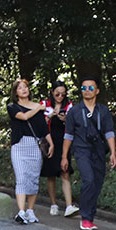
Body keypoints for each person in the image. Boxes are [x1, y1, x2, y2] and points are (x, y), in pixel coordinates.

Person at [60, 78, 116, 230]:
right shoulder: (75, 111)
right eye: (84, 87)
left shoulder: (103, 111)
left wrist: (113, 153)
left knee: (97, 183)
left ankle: (90, 217)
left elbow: (109, 132)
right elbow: (68, 135)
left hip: (98, 150)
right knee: (88, 180)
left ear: (97, 91)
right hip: (81, 149)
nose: (87, 90)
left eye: (91, 87)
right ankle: (84, 217)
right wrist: (64, 156)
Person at [7, 77, 51, 225]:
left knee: (33, 178)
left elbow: (43, 129)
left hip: (34, 145)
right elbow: (24, 117)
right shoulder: (13, 107)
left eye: (25, 87)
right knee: (21, 178)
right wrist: (38, 108)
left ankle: (30, 210)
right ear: (16, 92)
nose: (24, 89)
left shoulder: (36, 107)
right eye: (20, 88)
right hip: (19, 145)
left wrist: (51, 143)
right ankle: (21, 211)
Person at [41, 81, 77, 217]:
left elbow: (74, 125)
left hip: (64, 142)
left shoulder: (70, 106)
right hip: (50, 142)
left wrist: (65, 119)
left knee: (65, 171)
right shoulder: (44, 105)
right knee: (51, 174)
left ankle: (69, 206)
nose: (60, 96)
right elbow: (39, 123)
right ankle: (53, 204)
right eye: (57, 93)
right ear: (52, 93)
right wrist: (50, 116)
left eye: (63, 93)